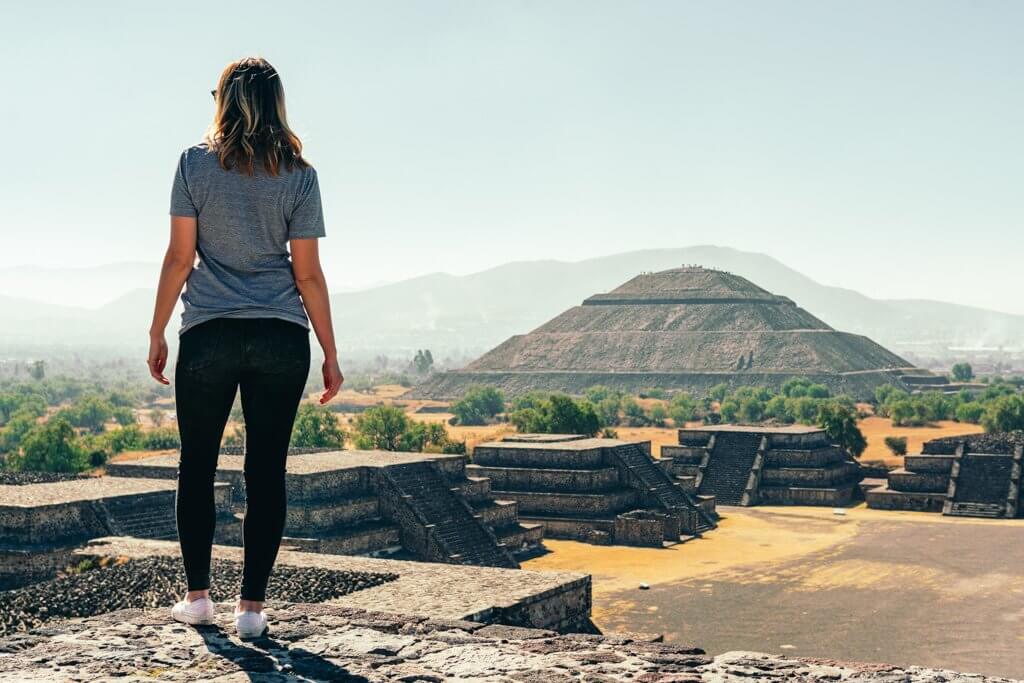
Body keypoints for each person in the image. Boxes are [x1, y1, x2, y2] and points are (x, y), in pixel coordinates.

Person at [146, 56, 344, 638]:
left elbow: (181, 258)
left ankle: (199, 598)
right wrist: (330, 352)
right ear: (276, 103)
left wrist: (157, 330)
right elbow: (307, 274)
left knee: (197, 466)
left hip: (208, 333)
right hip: (281, 336)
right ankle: (252, 611)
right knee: (266, 473)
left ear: (224, 101)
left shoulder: (193, 165)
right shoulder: (300, 174)